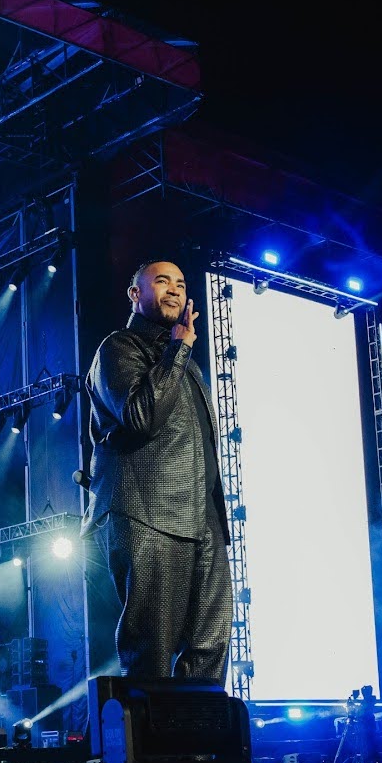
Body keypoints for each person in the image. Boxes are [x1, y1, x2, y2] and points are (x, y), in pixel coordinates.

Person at [82, 258, 232, 680]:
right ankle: (150, 726)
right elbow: (141, 416)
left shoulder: (187, 364)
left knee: (211, 642)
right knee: (153, 644)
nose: (174, 290)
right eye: (162, 281)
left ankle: (199, 725)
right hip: (148, 510)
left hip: (202, 517)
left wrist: (180, 352)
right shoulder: (118, 348)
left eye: (181, 284)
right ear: (136, 294)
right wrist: (178, 349)